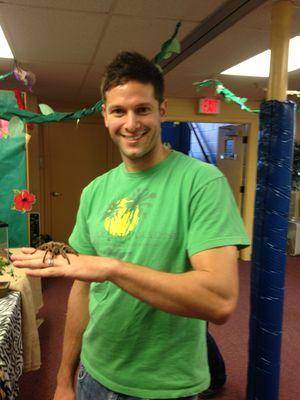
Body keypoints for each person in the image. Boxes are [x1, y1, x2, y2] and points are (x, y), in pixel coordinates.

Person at [12, 51, 250, 400]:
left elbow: (220, 300)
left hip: (164, 388)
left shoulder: (202, 182)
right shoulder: (95, 191)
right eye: (119, 111)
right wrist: (64, 378)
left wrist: (111, 268)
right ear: (105, 115)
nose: (131, 123)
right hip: (93, 375)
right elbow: (82, 291)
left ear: (161, 110)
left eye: (142, 109)